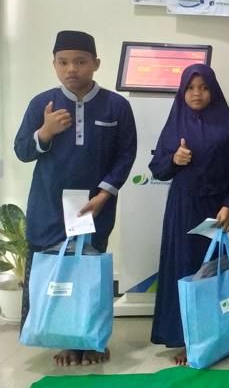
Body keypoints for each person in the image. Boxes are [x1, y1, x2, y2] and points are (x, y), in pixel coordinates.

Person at [13, 30, 137, 366]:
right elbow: (22, 150)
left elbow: (126, 154)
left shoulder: (116, 106)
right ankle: (66, 338)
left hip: (93, 207)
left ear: (96, 63)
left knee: (89, 272)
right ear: (54, 64)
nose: (72, 69)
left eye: (80, 61)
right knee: (58, 273)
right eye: (63, 62)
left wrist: (105, 194)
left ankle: (93, 339)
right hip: (50, 206)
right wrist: (45, 131)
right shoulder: (41, 104)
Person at [148, 64, 229, 365]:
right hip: (184, 211)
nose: (197, 93)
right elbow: (158, 169)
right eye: (191, 88)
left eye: (204, 88)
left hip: (221, 212)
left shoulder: (228, 127)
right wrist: (174, 159)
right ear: (182, 92)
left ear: (213, 91)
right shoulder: (175, 124)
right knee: (187, 271)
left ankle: (226, 332)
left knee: (220, 273)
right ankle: (188, 338)